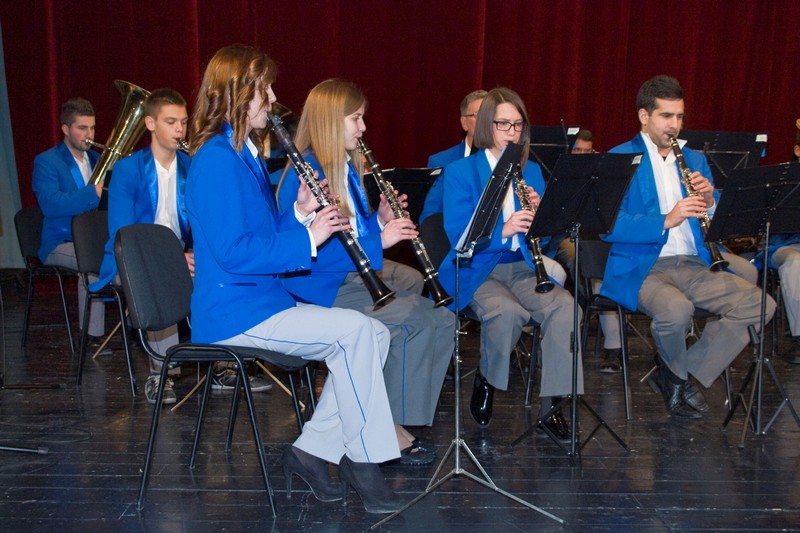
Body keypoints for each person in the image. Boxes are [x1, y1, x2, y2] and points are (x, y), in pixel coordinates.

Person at [186, 45, 401, 513]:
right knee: (355, 331)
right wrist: (310, 237)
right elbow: (235, 253)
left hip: (261, 301)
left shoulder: (242, 154)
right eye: (264, 89)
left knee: (375, 333)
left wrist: (302, 214)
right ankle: (364, 459)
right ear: (239, 93)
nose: (272, 98)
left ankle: (310, 452)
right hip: (233, 312)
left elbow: (265, 238)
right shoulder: (216, 160)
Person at [276, 79, 454, 465]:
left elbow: (353, 232)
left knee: (443, 318)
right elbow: (305, 253)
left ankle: (393, 415)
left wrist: (381, 220)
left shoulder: (345, 166)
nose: (363, 127)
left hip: (347, 278)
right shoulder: (305, 172)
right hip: (319, 288)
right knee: (417, 319)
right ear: (330, 121)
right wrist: (381, 241)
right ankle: (386, 426)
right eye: (355, 119)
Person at [602, 75, 775, 419]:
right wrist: (665, 219)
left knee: (760, 305)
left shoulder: (694, 159)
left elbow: (713, 221)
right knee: (677, 310)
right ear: (644, 116)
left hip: (694, 262)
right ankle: (675, 374)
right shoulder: (619, 158)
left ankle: (678, 375)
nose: (675, 125)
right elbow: (608, 226)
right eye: (666, 116)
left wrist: (710, 201)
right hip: (644, 266)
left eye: (679, 116)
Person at [438, 87, 581, 441]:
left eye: (517, 125)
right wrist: (503, 229)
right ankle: (486, 378)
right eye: (503, 124)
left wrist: (540, 216)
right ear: (487, 125)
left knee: (567, 308)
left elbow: (544, 239)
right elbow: (458, 236)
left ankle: (553, 407)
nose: (511, 133)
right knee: (507, 312)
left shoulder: (530, 171)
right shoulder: (460, 172)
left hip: (521, 265)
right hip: (477, 268)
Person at [32, 98, 106, 347]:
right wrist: (92, 193)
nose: (89, 134)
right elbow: (51, 205)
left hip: (93, 239)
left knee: (131, 257)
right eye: (82, 128)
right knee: (93, 262)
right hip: (59, 241)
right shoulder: (47, 161)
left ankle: (135, 327)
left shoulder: (97, 159)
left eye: (92, 128)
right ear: (65, 128)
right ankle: (92, 336)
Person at [752, 120, 800, 364]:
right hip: (784, 245)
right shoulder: (782, 181)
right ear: (797, 150)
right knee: (796, 262)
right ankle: (799, 337)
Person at [419, 90, 487, 225]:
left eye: (491, 115)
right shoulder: (442, 162)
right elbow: (430, 215)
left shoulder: (509, 161)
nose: (486, 121)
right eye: (479, 115)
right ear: (464, 122)